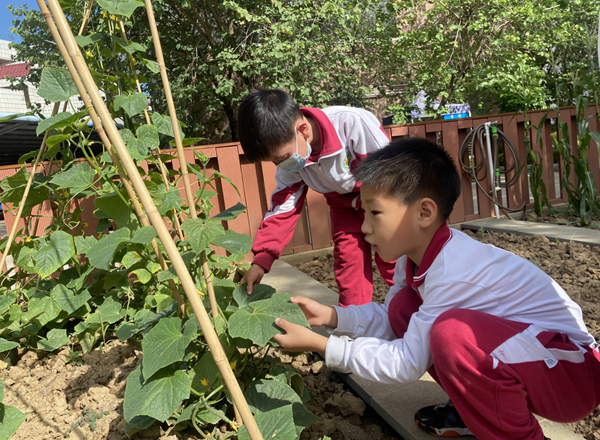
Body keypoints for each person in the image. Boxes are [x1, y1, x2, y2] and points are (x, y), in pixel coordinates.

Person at [273, 138, 600, 439]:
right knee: (403, 308)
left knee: (451, 336)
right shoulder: (414, 259)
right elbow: (390, 320)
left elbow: (406, 363)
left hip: (572, 377)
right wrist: (332, 317)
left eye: (375, 213)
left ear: (424, 213)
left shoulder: (452, 272)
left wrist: (322, 345)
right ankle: (473, 413)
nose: (365, 227)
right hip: (539, 362)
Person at [238, 89, 396, 307]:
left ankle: (419, 313)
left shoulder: (351, 123)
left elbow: (390, 175)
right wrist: (262, 259)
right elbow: (283, 208)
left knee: (395, 263)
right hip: (344, 211)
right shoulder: (292, 159)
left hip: (383, 205)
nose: (282, 165)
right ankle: (355, 322)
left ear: (302, 130)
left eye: (283, 158)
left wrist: (381, 219)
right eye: (275, 162)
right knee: (350, 272)